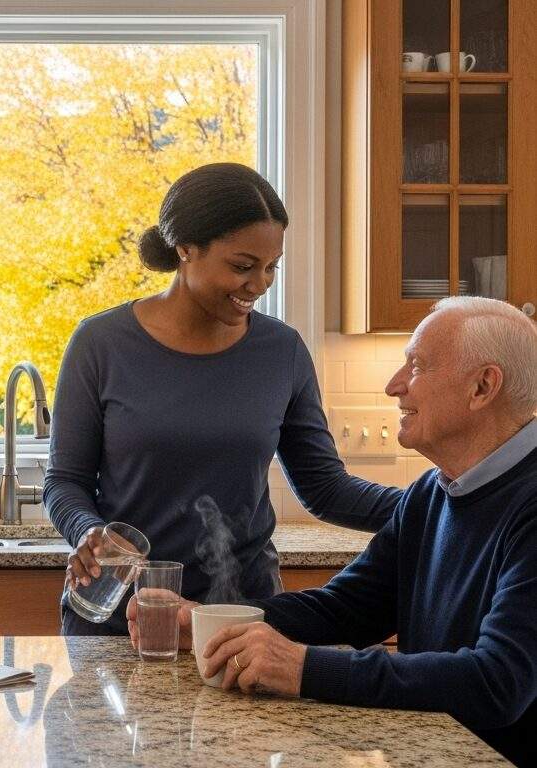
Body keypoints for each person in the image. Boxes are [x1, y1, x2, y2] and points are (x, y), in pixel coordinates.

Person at [127, 296, 537, 766]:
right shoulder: (433, 491)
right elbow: (348, 608)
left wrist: (302, 668)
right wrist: (215, 624)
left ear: (482, 386)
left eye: (416, 366)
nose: (394, 386)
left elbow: (497, 683)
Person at [44, 162, 403, 637]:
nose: (260, 284)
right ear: (185, 248)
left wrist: (434, 504)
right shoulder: (100, 344)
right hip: (119, 616)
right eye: (242, 266)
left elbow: (325, 488)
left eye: (272, 267)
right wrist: (87, 531)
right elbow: (65, 482)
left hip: (240, 617)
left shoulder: (282, 351)